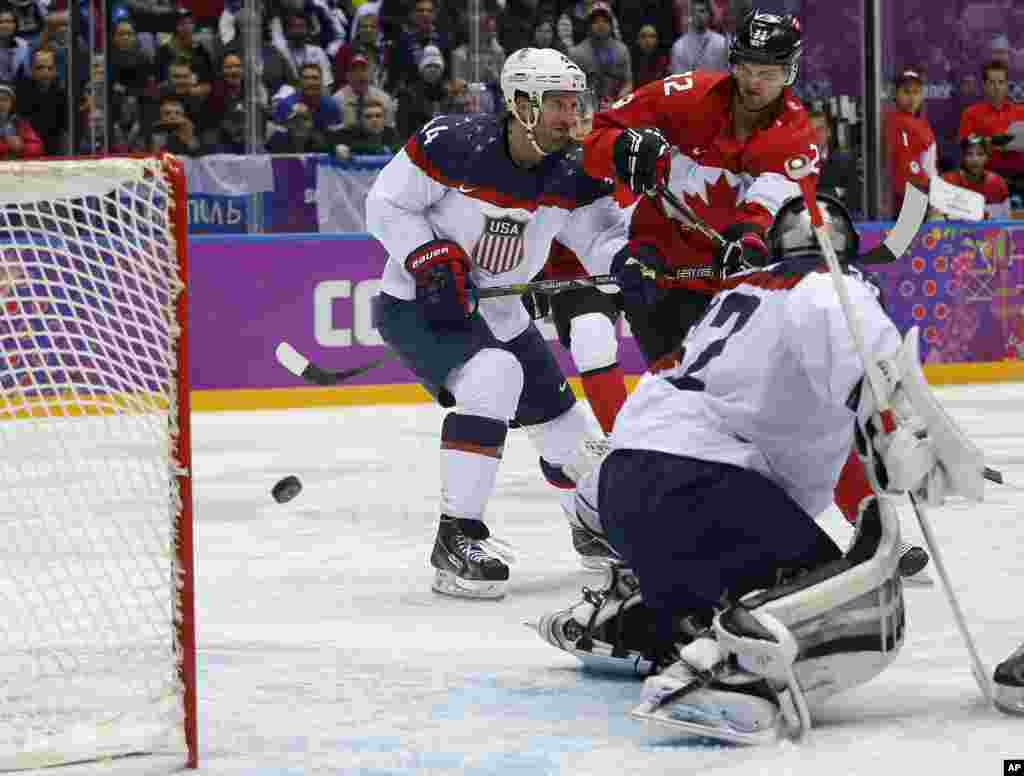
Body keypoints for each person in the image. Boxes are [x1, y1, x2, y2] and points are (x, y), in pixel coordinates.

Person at [536, 192, 982, 745]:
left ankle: (637, 621)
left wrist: (595, 506)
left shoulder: (735, 294)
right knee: (848, 605)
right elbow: (858, 349)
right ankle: (728, 672)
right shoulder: (834, 286)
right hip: (705, 492)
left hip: (629, 488)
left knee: (733, 573)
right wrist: (897, 431)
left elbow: (652, 425)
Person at [366, 48, 629, 600]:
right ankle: (456, 537)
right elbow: (386, 204)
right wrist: (428, 255)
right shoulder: (452, 143)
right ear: (520, 104)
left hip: (502, 313)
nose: (571, 114)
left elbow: (603, 240)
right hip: (420, 303)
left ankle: (592, 527)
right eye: (557, 103)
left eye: (575, 102)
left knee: (572, 439)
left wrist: (637, 267)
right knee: (493, 377)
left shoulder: (573, 169)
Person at [582, 9, 814, 373]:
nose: (754, 82)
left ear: (791, 72)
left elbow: (769, 206)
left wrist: (750, 243)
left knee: (733, 399)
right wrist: (620, 149)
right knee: (675, 396)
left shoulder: (795, 135)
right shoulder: (686, 95)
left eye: (768, 73)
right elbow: (595, 134)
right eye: (746, 68)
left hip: (735, 289)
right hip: (656, 268)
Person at [958, 60, 1024, 208]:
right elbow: (964, 145)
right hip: (985, 181)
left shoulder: (1021, 111)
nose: (997, 87)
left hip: (1019, 179)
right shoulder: (971, 113)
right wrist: (991, 142)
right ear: (984, 85)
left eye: (1001, 82)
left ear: (1007, 85)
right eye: (992, 82)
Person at [884, 69, 936, 218]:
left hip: (924, 192)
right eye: (906, 92)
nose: (912, 97)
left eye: (916, 92)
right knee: (903, 239)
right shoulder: (896, 121)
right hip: (912, 194)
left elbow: (929, 163)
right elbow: (906, 163)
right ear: (896, 94)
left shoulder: (922, 123)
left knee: (920, 239)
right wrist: (926, 190)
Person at [941, 134, 1011, 220]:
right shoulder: (947, 181)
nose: (975, 159)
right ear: (962, 157)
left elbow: (1005, 222)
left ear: (987, 157)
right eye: (969, 154)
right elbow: (936, 219)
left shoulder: (998, 183)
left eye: (980, 154)